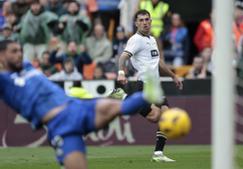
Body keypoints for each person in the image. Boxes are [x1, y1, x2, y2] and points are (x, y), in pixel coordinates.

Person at [0, 39, 163, 169]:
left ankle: (148, 102)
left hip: (76, 107)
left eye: (20, 50)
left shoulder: (27, 67)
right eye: (13, 51)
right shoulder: (4, 81)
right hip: (61, 124)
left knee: (114, 106)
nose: (19, 54)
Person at [115, 9, 183, 162]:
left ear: (151, 21)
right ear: (136, 23)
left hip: (155, 86)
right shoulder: (136, 39)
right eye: (141, 20)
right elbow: (123, 56)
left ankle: (158, 154)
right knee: (154, 117)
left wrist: (173, 76)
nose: (145, 22)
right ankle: (123, 96)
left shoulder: (152, 39)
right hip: (144, 84)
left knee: (165, 115)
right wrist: (121, 72)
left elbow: (158, 62)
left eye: (147, 19)